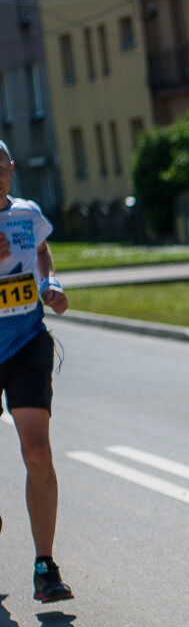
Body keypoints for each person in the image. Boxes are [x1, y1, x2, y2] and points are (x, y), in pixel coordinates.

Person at [0, 139, 72, 603]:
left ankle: (45, 566)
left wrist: (50, 283)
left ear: (10, 168)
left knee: (38, 453)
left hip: (26, 344)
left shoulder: (27, 214)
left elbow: (42, 252)